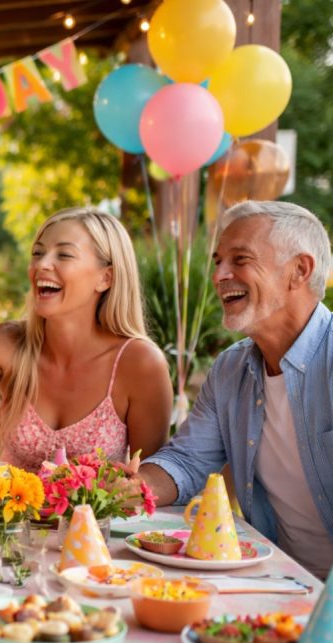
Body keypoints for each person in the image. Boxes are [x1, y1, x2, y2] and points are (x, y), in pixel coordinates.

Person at [0, 207, 172, 472]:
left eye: (64, 255)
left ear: (106, 278)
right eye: (38, 253)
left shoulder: (140, 364)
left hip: (92, 526)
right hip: (6, 523)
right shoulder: (7, 343)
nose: (42, 265)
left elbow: (147, 483)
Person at [138, 200, 333, 578]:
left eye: (240, 259)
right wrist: (130, 487)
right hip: (281, 580)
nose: (219, 275)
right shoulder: (231, 368)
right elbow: (187, 461)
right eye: (217, 261)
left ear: (299, 270)